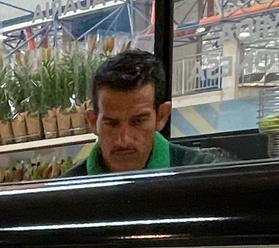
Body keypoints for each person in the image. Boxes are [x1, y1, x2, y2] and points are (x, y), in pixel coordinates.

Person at [64, 48, 230, 176]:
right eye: (111, 123)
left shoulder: (206, 179)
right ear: (92, 121)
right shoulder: (62, 195)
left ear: (162, 116)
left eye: (138, 121)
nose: (124, 140)